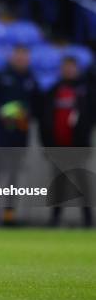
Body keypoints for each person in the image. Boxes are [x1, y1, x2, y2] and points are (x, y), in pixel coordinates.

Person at [0, 45, 40, 225]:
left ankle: (10, 213)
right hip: (0, 135)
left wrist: (26, 113)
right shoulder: (0, 76)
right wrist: (0, 111)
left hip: (20, 135)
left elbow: (38, 105)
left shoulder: (31, 79)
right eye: (18, 56)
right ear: (12, 57)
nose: (21, 59)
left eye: (24, 56)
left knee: (14, 175)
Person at [40, 56, 93, 227]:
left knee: (82, 184)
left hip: (77, 147)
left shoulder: (85, 91)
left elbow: (88, 118)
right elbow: (45, 119)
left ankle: (88, 220)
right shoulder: (53, 91)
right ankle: (54, 219)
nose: (69, 70)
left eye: (72, 67)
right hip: (58, 147)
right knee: (58, 185)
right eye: (66, 67)